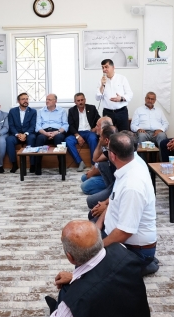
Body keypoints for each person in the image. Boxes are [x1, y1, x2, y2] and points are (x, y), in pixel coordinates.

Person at [45, 220, 150, 317]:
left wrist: (76, 284)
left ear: (70, 258)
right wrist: (75, 278)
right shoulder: (121, 250)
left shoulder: (71, 305)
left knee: (65, 291)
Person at [97, 132, 158, 276]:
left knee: (88, 264)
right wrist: (98, 225)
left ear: (112, 155)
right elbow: (113, 201)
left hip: (135, 250)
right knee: (88, 228)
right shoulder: (127, 167)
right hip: (119, 235)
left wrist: (97, 248)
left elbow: (124, 232)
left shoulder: (132, 186)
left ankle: (143, 264)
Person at [34, 93, 69, 175]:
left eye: (49, 100)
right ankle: (37, 169)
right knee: (39, 139)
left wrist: (56, 132)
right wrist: (46, 133)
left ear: (55, 101)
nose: (47, 101)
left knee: (59, 139)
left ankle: (62, 168)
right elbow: (38, 126)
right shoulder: (40, 111)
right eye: (46, 99)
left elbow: (65, 125)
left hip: (57, 132)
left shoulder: (62, 111)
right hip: (44, 132)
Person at [95, 59, 133, 131]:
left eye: (106, 67)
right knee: (107, 133)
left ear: (113, 67)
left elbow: (130, 94)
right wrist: (102, 85)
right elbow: (97, 98)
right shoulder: (101, 81)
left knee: (123, 133)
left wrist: (121, 98)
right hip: (107, 112)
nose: (104, 69)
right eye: (103, 67)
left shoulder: (122, 78)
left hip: (121, 112)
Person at [66, 93, 100, 172]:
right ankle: (80, 162)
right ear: (75, 102)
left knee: (93, 138)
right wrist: (77, 136)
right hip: (77, 132)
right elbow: (71, 125)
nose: (80, 102)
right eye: (78, 101)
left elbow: (99, 120)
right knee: (68, 140)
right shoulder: (71, 110)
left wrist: (95, 128)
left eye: (82, 100)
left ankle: (94, 163)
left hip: (89, 132)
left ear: (85, 100)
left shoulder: (92, 108)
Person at [80, 125, 116, 197]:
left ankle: (111, 191)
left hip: (111, 177)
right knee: (84, 177)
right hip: (105, 173)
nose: (99, 138)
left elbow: (101, 166)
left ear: (106, 140)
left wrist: (92, 174)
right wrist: (92, 171)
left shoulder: (112, 149)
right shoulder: (107, 146)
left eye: (101, 137)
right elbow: (95, 160)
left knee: (85, 187)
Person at [6, 92, 37, 174]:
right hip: (16, 134)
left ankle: (32, 165)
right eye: (23, 99)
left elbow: (33, 126)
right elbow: (11, 125)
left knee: (33, 138)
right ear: (18, 101)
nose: (25, 101)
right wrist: (17, 134)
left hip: (28, 134)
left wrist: (25, 134)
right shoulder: (12, 111)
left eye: (27, 99)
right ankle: (14, 164)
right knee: (9, 140)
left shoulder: (33, 111)